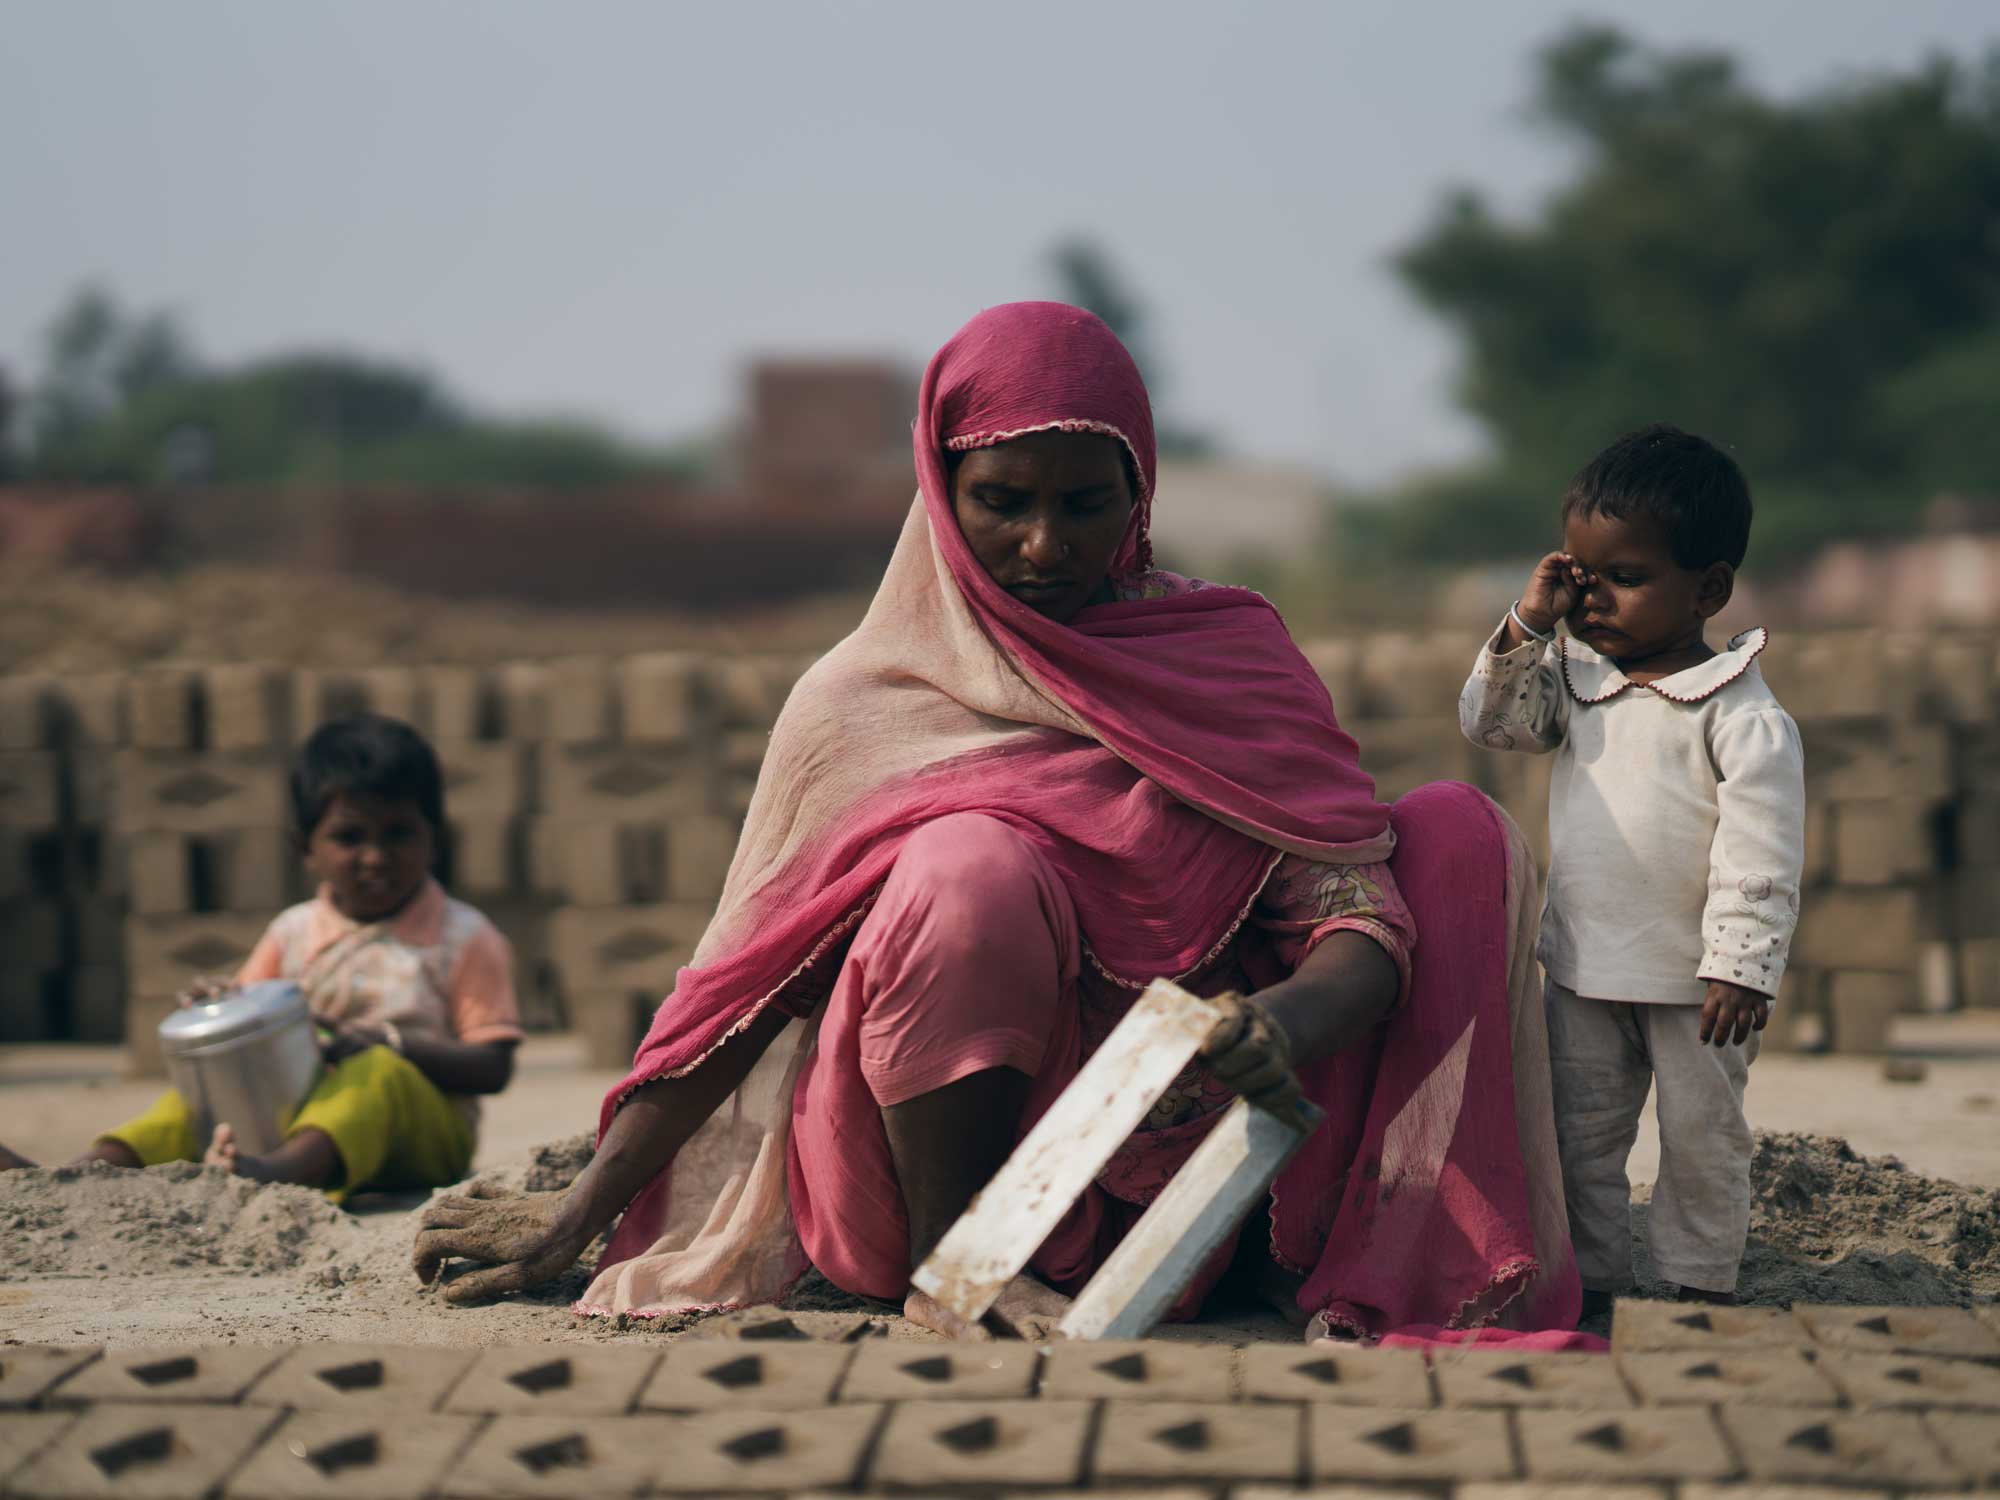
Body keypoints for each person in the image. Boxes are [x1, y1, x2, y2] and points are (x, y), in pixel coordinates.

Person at [413, 301, 1581, 1342]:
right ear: (940, 494)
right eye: (1000, 504)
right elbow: (742, 987)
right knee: (965, 866)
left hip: (1203, 1186)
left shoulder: (1221, 661)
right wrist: (584, 1211)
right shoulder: (866, 699)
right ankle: (956, 1270)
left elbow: (1354, 921)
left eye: (1084, 505)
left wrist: (1275, 1024)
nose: (1042, 546)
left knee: (1450, 827)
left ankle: (1387, 1255)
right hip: (932, 1178)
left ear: (1140, 495)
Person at [1459, 424, 1805, 1317]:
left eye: (1625, 577)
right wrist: (1530, 622)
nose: (1594, 601)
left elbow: (1761, 852)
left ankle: (1697, 1287)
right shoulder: (1574, 683)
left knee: (1700, 1141)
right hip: (1581, 971)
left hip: (1700, 987)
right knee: (1578, 1142)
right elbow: (1491, 726)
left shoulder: (1739, 711)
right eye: (1582, 576)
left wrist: (1741, 965)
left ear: (1710, 589)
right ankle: (1596, 1282)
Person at [3, 713, 523, 1200]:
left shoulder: (462, 936)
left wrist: (389, 1043)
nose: (375, 856)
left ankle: (274, 1174)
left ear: (434, 838)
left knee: (376, 1071)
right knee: (191, 1102)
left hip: (424, 1141)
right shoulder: (293, 932)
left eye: (398, 833)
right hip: (297, 1117)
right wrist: (221, 1007)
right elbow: (250, 1025)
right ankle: (70, 1177)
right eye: (349, 837)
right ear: (305, 847)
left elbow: (493, 1067)